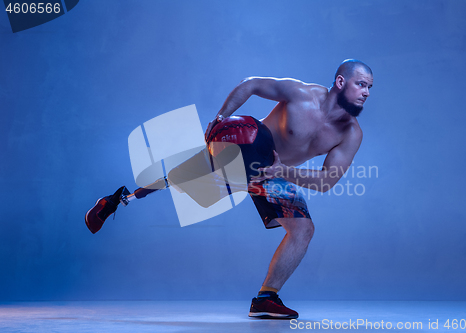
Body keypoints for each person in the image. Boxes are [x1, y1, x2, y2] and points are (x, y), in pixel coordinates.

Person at [85, 59, 373, 319]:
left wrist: (282, 171)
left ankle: (265, 298)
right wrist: (221, 118)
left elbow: (326, 181)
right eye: (361, 84)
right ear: (340, 82)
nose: (366, 92)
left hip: (273, 173)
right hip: (244, 146)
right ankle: (116, 200)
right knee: (177, 177)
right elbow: (251, 85)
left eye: (369, 87)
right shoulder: (301, 94)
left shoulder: (351, 134)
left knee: (304, 229)